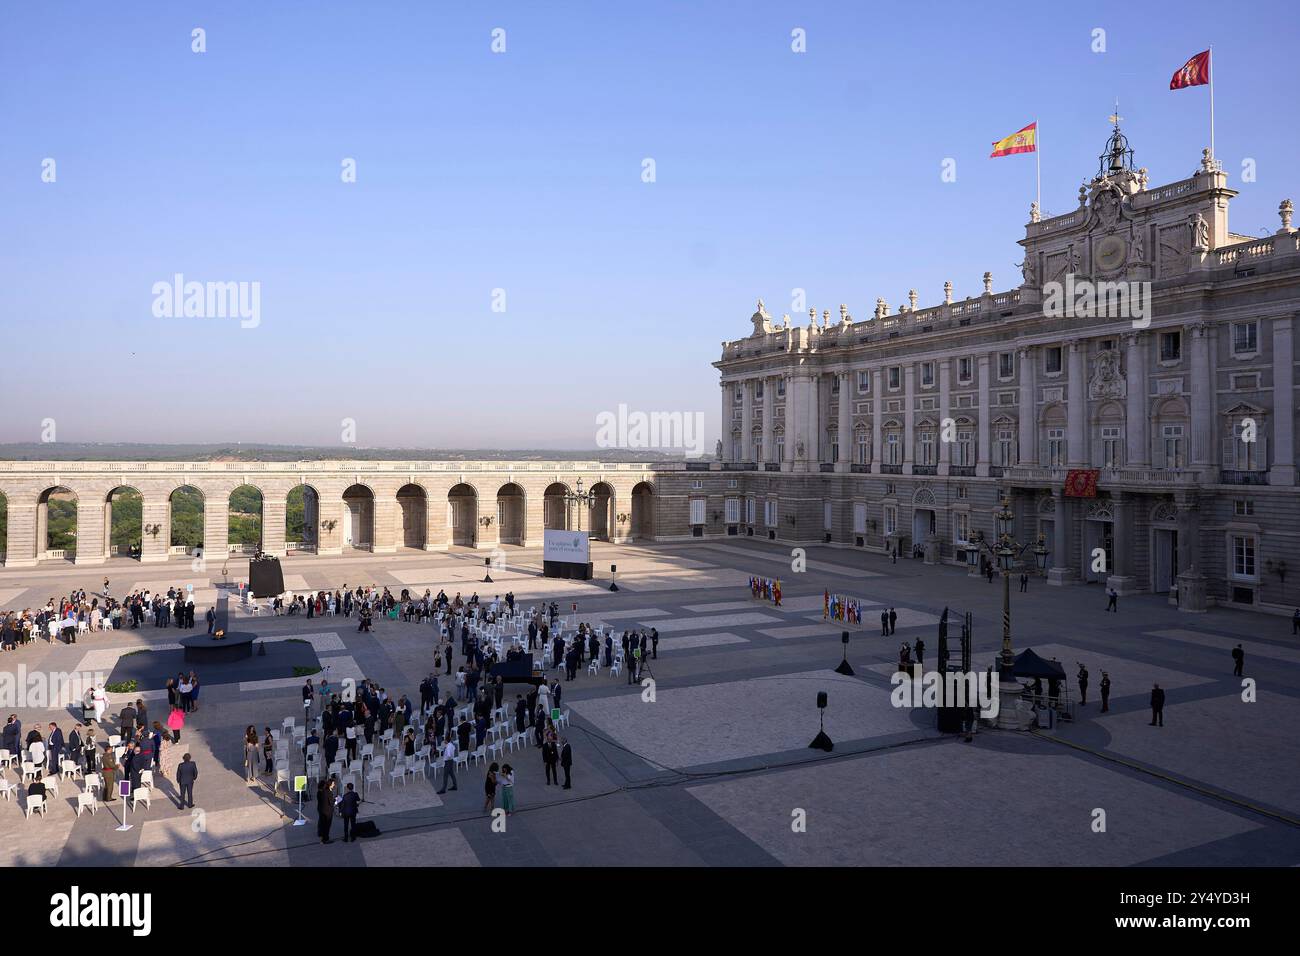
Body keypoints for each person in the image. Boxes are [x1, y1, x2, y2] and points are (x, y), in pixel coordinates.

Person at [316, 777, 337, 844]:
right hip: (327, 812)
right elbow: (331, 803)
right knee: (327, 825)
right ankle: (325, 839)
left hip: (321, 809)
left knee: (321, 823)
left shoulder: (320, 792)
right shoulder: (328, 792)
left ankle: (320, 833)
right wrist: (335, 800)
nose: (334, 785)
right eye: (333, 784)